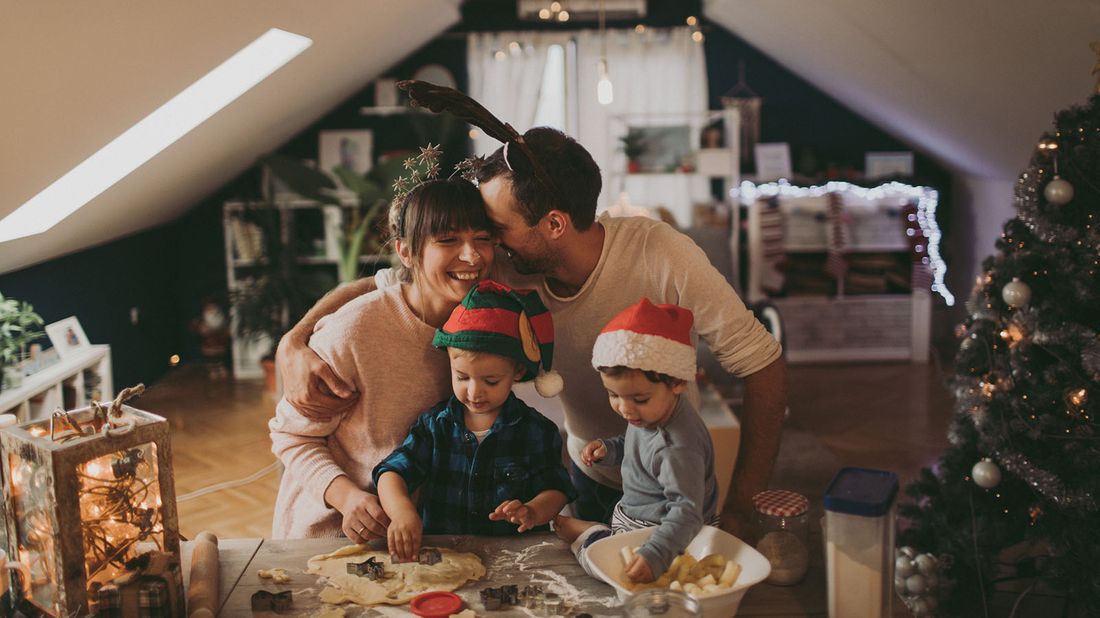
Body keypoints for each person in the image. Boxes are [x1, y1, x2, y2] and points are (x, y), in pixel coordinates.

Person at [277, 123, 786, 535]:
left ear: (555, 225)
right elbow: (394, 282)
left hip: (674, 481)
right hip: (586, 475)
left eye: (495, 229)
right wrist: (296, 339)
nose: (482, 249)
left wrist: (741, 507)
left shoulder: (664, 256)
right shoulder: (508, 264)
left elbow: (762, 363)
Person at [268, 177, 495, 539]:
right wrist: (347, 498)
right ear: (406, 252)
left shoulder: (486, 323)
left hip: (425, 535)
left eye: (482, 239)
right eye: (448, 240)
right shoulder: (355, 330)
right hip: (332, 535)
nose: (472, 256)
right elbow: (291, 436)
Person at [374, 280, 576, 561]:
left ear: (517, 371)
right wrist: (402, 514)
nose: (473, 392)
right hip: (443, 558)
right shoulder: (434, 426)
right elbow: (391, 473)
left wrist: (532, 511)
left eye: (490, 381)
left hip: (516, 559)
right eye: (462, 377)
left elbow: (556, 489)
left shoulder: (536, 431)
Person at [554, 298, 719, 582]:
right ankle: (605, 536)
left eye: (639, 399)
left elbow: (687, 513)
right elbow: (639, 446)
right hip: (636, 514)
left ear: (679, 382)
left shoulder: (677, 448)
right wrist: (611, 449)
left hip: (667, 531)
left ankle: (588, 534)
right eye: (614, 395)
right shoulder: (652, 414)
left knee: (607, 571)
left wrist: (655, 553)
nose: (625, 409)